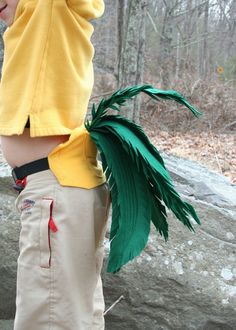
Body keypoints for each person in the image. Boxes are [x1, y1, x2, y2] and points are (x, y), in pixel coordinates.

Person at [0, 1, 110, 329]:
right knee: (69, 317)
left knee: (48, 319)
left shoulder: (50, 7)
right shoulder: (28, 29)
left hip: (56, 193)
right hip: (56, 190)